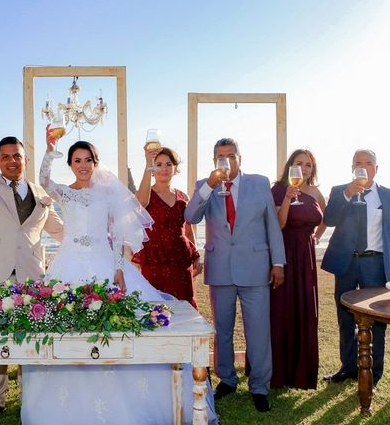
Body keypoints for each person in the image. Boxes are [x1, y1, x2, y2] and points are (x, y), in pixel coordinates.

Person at [21, 127, 217, 424]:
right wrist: (50, 150)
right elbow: (44, 180)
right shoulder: (65, 193)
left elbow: (116, 234)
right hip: (69, 265)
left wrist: (117, 269)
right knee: (66, 327)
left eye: (88, 160)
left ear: (95, 163)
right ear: (71, 164)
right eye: (77, 160)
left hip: (104, 264)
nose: (83, 165)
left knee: (114, 328)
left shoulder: (107, 194)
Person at [0, 133, 63, 425]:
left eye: (16, 156)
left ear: (24, 159)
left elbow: (59, 230)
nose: (11, 161)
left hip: (32, 275)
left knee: (34, 335)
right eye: (5, 156)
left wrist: (89, 236)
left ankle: (31, 394)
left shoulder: (41, 192)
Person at [185, 137, 286, 413]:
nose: (225, 161)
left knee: (258, 331)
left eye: (230, 155)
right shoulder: (204, 187)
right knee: (223, 331)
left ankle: (260, 387)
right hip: (221, 269)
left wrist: (278, 262)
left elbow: (272, 227)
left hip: (255, 267)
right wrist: (209, 185)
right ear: (214, 160)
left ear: (240, 158)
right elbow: (191, 216)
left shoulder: (259, 183)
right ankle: (227, 380)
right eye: (220, 156)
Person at [322, 149, 390, 386]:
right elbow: (329, 219)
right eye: (358, 163)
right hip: (346, 264)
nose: (363, 167)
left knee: (377, 320)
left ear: (376, 168)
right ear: (351, 168)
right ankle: (348, 367)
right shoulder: (340, 192)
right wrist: (348, 194)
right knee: (345, 318)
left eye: (368, 163)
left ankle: (374, 373)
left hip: (376, 265)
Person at [269, 149, 326, 390]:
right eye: (298, 163)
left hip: (306, 257)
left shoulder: (315, 192)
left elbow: (325, 218)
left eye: (308, 165)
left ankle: (302, 373)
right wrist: (287, 200)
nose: (303, 169)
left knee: (305, 309)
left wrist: (315, 238)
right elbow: (278, 224)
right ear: (289, 166)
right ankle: (279, 374)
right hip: (284, 254)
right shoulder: (278, 190)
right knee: (281, 310)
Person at [133, 145, 201, 308]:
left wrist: (197, 255)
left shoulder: (183, 196)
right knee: (155, 310)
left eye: (168, 164)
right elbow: (141, 203)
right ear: (152, 168)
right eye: (158, 164)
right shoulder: (144, 194)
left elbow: (188, 230)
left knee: (184, 308)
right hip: (154, 260)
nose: (164, 168)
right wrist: (148, 162)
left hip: (180, 260)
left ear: (176, 168)